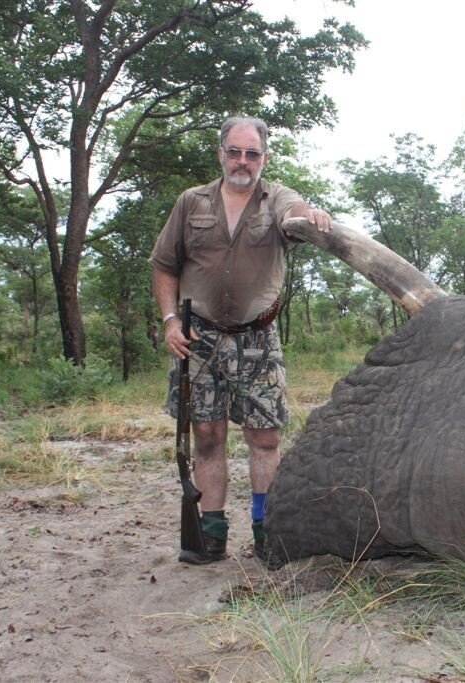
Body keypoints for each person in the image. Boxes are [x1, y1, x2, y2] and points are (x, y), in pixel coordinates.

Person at [149, 115, 332, 564]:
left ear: (263, 158)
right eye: (235, 151)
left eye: (252, 153)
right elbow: (163, 266)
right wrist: (171, 320)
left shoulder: (278, 199)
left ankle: (265, 531)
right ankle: (210, 533)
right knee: (207, 436)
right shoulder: (191, 203)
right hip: (199, 338)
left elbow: (295, 213)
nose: (243, 161)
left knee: (264, 438)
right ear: (221, 153)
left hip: (257, 339)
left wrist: (310, 216)